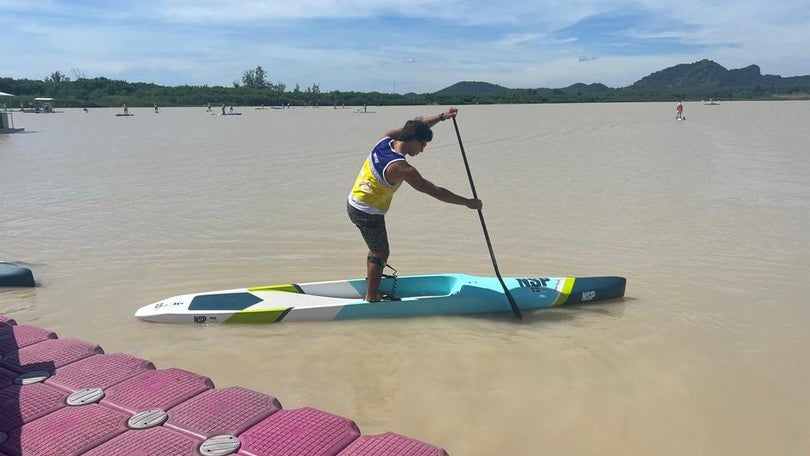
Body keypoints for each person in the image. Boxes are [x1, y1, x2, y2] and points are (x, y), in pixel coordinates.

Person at [347, 107, 482, 302]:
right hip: (367, 211)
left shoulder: (385, 140)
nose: (423, 149)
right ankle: (371, 297)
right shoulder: (401, 168)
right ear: (413, 141)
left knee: (377, 248)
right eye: (423, 144)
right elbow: (435, 191)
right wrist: (468, 203)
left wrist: (442, 117)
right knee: (381, 251)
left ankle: (372, 285)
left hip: (354, 202)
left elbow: (414, 127)